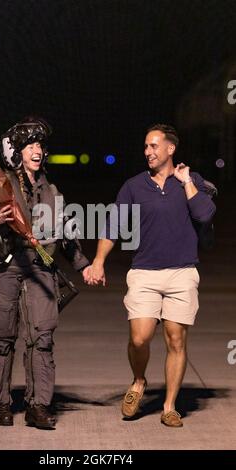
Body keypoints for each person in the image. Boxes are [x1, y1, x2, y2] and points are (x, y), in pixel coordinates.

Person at [85, 124, 216, 427]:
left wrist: (186, 182)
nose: (148, 152)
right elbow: (113, 223)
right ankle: (139, 381)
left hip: (182, 273)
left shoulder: (191, 181)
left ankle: (169, 406)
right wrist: (99, 261)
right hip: (144, 272)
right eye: (145, 146)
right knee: (140, 337)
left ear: (171, 149)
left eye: (154, 146)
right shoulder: (134, 186)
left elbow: (205, 214)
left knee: (176, 340)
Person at [0, 116, 90, 429]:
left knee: (41, 337)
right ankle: (1, 403)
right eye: (29, 145)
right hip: (3, 268)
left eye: (40, 145)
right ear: (16, 152)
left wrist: (84, 266)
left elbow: (66, 237)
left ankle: (38, 407)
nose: (37, 150)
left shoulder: (52, 191)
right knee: (2, 337)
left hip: (39, 266)